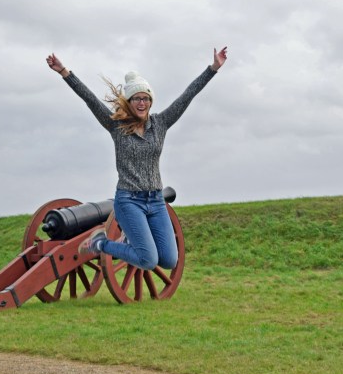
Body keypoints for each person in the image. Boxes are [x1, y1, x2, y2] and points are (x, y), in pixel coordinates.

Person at [45, 47, 228, 270]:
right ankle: (100, 242)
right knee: (148, 260)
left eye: (145, 98)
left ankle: (127, 242)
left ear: (150, 101)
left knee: (169, 260)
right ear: (129, 102)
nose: (142, 103)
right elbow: (89, 98)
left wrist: (213, 69)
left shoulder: (160, 123)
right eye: (136, 99)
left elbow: (188, 95)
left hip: (156, 201)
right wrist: (64, 72)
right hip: (129, 200)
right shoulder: (116, 126)